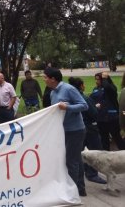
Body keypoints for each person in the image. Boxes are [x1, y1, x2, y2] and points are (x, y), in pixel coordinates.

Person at [43, 67, 88, 197]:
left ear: (53, 79)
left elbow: (84, 105)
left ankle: (71, 192)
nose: (44, 79)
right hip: (64, 130)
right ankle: (80, 189)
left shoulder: (69, 89)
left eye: (45, 77)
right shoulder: (53, 93)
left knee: (71, 160)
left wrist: (67, 107)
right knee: (76, 159)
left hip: (76, 130)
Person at [68, 77, 106, 185]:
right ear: (80, 86)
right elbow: (93, 114)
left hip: (77, 128)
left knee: (81, 150)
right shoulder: (84, 97)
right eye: (83, 84)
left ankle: (85, 171)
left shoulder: (70, 97)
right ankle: (92, 174)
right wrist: (96, 107)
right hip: (89, 127)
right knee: (95, 149)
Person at [90, 72, 125, 151]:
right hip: (101, 119)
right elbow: (92, 100)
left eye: (98, 80)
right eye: (95, 79)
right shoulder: (95, 89)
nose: (96, 81)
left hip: (112, 118)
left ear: (104, 80)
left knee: (117, 138)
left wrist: (105, 79)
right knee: (104, 140)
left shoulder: (111, 87)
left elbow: (107, 88)